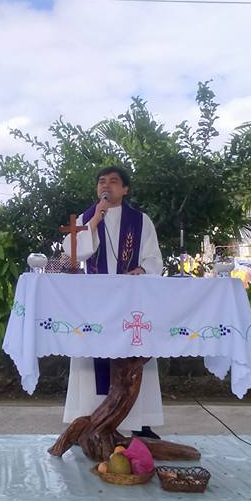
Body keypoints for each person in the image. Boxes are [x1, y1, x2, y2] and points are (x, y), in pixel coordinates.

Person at [61, 166, 164, 438]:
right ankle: (92, 421)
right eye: (102, 182)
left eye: (114, 182)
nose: (106, 186)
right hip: (95, 304)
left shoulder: (141, 221)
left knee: (133, 357)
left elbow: (154, 260)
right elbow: (73, 255)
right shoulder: (85, 218)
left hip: (131, 304)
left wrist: (143, 270)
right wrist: (95, 220)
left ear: (125, 189)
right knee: (93, 361)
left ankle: (138, 423)